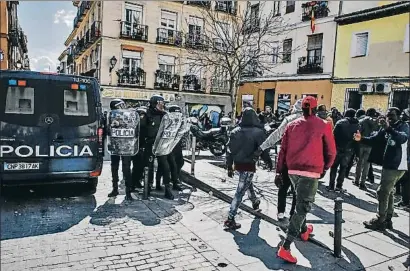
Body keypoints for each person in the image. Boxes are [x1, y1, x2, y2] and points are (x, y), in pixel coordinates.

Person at [276, 96, 336, 263]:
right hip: (310, 171)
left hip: (293, 170)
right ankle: (285, 246)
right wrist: (325, 168)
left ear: (301, 109)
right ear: (316, 109)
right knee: (303, 207)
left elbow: (282, 150)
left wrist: (279, 171)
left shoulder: (291, 125)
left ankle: (303, 230)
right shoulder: (324, 125)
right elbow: (331, 151)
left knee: (300, 200)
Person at [354, 107, 409, 230]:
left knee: (382, 192)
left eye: (392, 115)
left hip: (396, 165)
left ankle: (380, 219)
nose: (389, 118)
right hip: (388, 164)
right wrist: (360, 139)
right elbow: (375, 140)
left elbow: (402, 138)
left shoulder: (403, 126)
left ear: (399, 116)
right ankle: (387, 219)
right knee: (388, 192)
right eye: (388, 115)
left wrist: (388, 128)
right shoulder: (386, 127)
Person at [224, 108, 273, 230]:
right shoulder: (258, 132)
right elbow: (263, 149)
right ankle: (230, 218)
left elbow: (229, 150)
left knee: (246, 183)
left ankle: (255, 201)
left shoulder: (235, 131)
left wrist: (229, 166)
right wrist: (269, 162)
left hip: (238, 163)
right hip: (249, 164)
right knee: (240, 191)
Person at [255, 99, 304, 220]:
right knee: (297, 191)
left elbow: (277, 135)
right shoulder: (313, 121)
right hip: (303, 162)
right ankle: (294, 214)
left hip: (289, 159)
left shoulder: (290, 119)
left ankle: (281, 212)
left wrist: (262, 147)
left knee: (283, 187)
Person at [141, 95, 174, 199]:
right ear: (154, 103)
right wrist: (142, 143)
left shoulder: (165, 115)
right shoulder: (147, 114)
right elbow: (142, 129)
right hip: (150, 142)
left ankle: (167, 188)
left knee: (165, 165)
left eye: (162, 103)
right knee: (148, 165)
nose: (162, 105)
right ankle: (148, 186)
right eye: (160, 103)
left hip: (162, 143)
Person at [107, 99, 134, 201]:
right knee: (114, 168)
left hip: (126, 146)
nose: (123, 107)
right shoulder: (110, 117)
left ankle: (128, 191)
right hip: (115, 146)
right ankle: (115, 189)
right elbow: (107, 130)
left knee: (126, 169)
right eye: (120, 106)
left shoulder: (129, 116)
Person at [327, 108, 359, 192]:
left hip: (338, 147)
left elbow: (333, 135)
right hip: (349, 149)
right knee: (343, 168)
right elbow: (357, 139)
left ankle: (331, 185)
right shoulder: (357, 124)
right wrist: (356, 152)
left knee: (334, 167)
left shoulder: (340, 122)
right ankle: (339, 186)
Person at [354, 108, 378, 190]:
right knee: (367, 165)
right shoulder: (376, 122)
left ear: (367, 112)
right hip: (370, 145)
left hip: (361, 143)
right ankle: (362, 183)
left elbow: (358, 132)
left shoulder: (362, 121)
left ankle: (357, 180)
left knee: (359, 163)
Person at [396, 108, 410, 208]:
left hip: (406, 157)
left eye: (403, 114)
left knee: (405, 180)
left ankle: (405, 201)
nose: (401, 116)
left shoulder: (406, 126)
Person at [131, 106, 148, 190]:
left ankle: (137, 182)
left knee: (141, 167)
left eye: (143, 115)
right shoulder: (134, 125)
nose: (142, 117)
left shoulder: (146, 125)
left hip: (143, 147)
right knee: (137, 166)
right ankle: (134, 183)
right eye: (140, 114)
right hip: (136, 147)